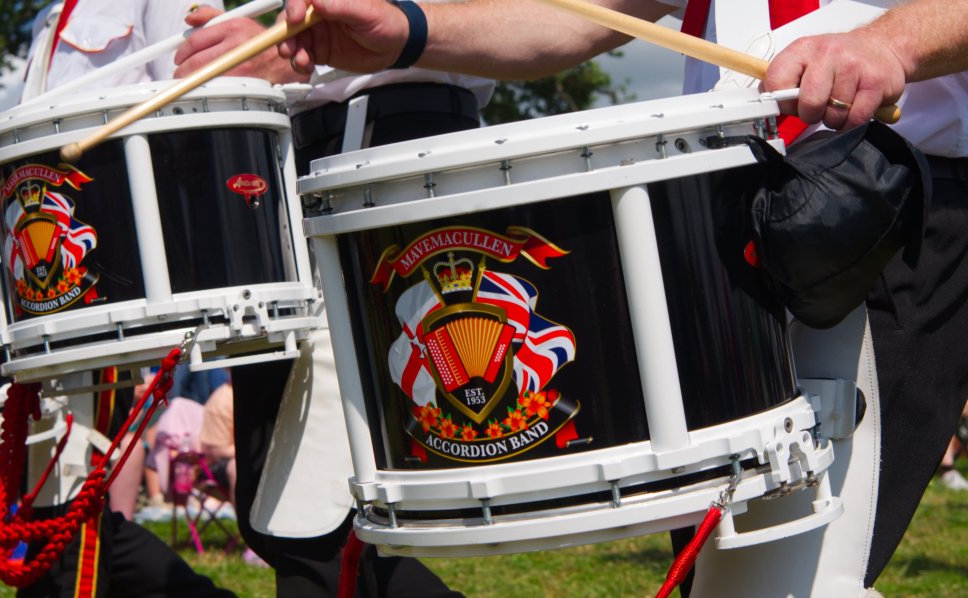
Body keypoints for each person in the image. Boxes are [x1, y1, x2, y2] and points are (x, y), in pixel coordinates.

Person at [268, 0, 968, 595]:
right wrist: (409, 30)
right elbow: (574, 15)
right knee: (727, 573)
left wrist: (890, 43)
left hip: (874, 204)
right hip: (723, 214)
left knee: (788, 581)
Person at [173, 4, 492, 596]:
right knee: (271, 504)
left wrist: (299, 51)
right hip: (282, 150)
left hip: (389, 141)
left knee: (301, 517)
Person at [8, 1, 239, 596]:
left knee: (74, 486)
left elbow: (196, 108)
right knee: (58, 496)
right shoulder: (48, 19)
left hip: (116, 274)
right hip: (50, 284)